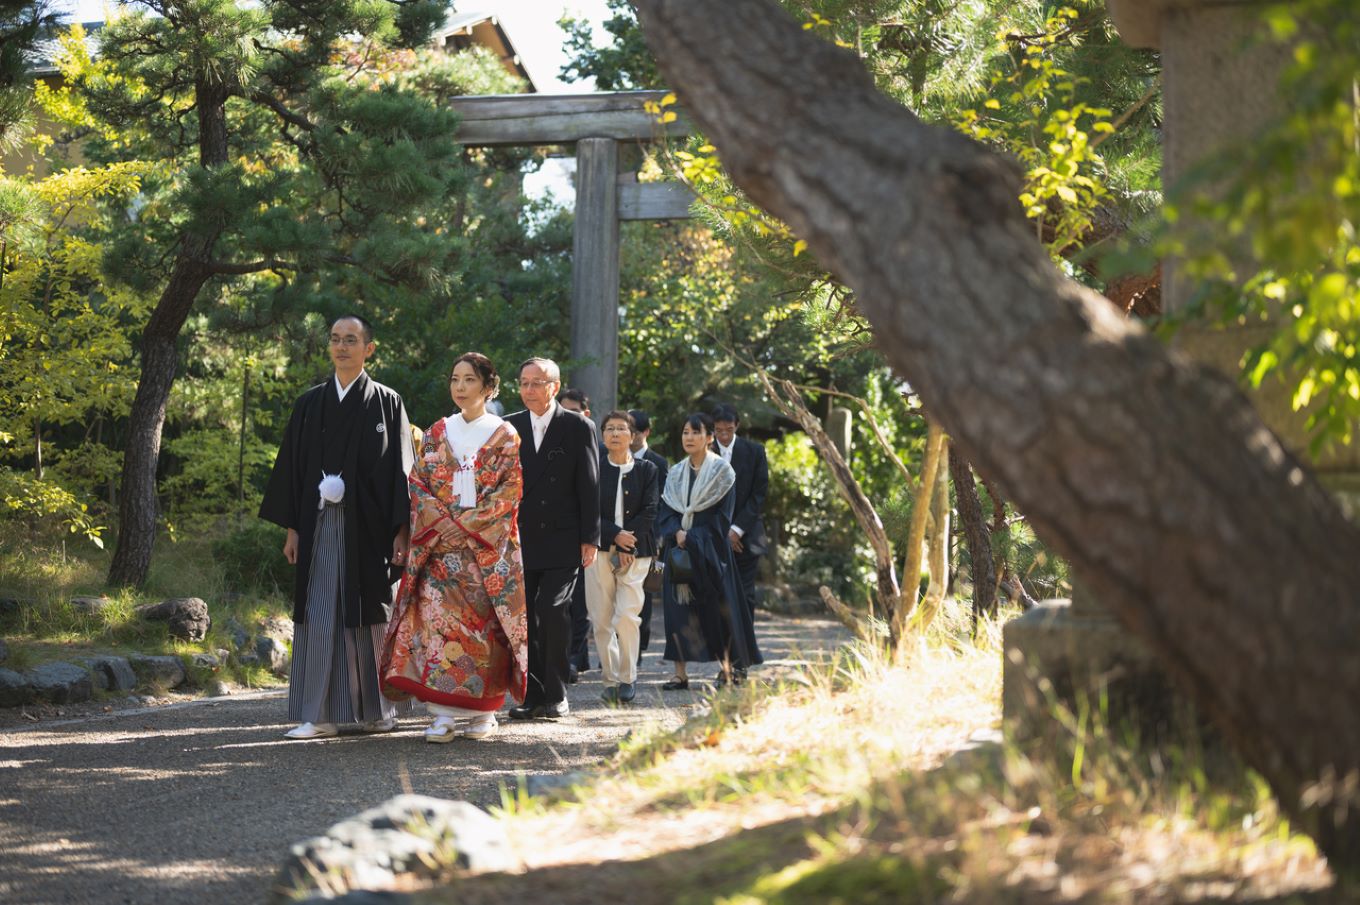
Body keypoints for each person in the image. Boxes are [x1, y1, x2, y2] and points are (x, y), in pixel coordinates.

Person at [259, 314, 413, 740]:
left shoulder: (387, 402)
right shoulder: (310, 403)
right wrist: (293, 529)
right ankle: (320, 713)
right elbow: (293, 470)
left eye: (351, 340)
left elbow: (401, 472)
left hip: (370, 529)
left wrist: (402, 531)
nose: (341, 347)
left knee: (370, 612)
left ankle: (381, 709)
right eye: (335, 339)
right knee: (320, 610)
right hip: (319, 522)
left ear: (369, 348)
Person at [379, 353, 527, 742]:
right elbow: (418, 482)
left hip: (482, 554)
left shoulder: (505, 435)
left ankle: (483, 715)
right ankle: (442, 714)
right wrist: (443, 524)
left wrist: (466, 526)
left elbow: (510, 490)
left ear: (489, 387)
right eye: (455, 379)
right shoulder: (437, 432)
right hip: (440, 550)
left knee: (484, 632)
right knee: (438, 629)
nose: (460, 387)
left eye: (469, 380)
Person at [505, 358, 600, 719]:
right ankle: (532, 696)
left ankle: (557, 694)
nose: (529, 390)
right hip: (521, 537)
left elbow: (589, 483)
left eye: (537, 383)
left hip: (564, 537)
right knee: (525, 616)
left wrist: (590, 537)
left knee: (553, 609)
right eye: (524, 383)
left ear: (555, 387)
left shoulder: (578, 426)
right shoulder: (509, 426)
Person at [658, 412, 762, 689]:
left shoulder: (722, 472)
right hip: (679, 553)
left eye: (696, 432)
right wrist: (677, 533)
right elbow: (665, 511)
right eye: (685, 432)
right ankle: (680, 674)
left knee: (719, 613)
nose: (689, 437)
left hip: (712, 553)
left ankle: (727, 669)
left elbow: (722, 519)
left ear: (709, 437)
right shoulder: (676, 472)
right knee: (677, 613)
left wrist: (691, 537)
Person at [586, 411, 660, 704]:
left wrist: (628, 545)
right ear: (603, 435)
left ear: (632, 435)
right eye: (609, 429)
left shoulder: (647, 469)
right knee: (601, 619)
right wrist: (615, 534)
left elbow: (651, 509)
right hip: (599, 551)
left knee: (627, 615)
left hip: (637, 554)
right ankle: (611, 679)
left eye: (621, 429)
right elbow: (586, 510)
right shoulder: (593, 467)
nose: (615, 434)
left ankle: (628, 677)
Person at [712, 406, 769, 632]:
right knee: (716, 595)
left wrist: (736, 530)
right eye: (718, 430)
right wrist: (723, 531)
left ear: (737, 426)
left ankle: (743, 650)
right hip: (714, 536)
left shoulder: (754, 451)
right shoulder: (704, 451)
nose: (723, 435)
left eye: (728, 430)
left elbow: (759, 494)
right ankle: (722, 649)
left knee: (744, 596)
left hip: (746, 537)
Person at [557, 387, 595, 681]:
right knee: (558, 605)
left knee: (581, 605)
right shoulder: (546, 443)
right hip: (554, 536)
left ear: (586, 414)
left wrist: (591, 538)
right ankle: (563, 659)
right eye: (563, 411)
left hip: (584, 539)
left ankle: (573, 658)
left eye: (573, 412)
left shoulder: (595, 447)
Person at [628, 409, 669, 657]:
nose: (628, 435)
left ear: (645, 432)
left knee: (644, 593)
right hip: (618, 536)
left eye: (633, 430)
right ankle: (619, 648)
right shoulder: (611, 457)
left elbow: (662, 504)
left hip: (649, 538)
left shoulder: (659, 463)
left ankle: (639, 648)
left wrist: (658, 540)